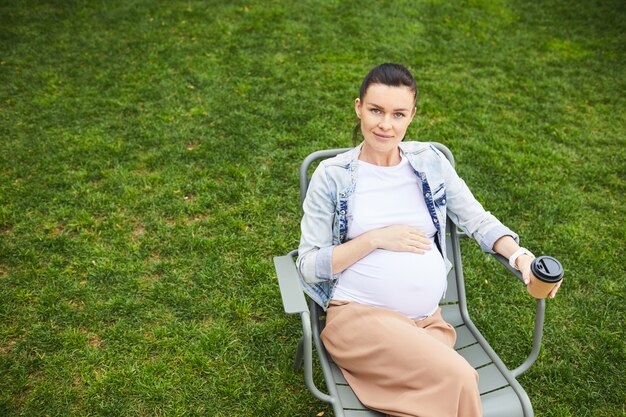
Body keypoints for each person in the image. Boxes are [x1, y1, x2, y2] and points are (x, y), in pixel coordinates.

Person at [296, 63, 562, 417]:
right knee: (460, 379)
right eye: (375, 110)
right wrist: (375, 238)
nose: (385, 125)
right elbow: (309, 265)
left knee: (438, 399)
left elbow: (477, 219)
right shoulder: (333, 176)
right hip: (359, 319)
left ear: (412, 116)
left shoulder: (429, 162)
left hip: (428, 324)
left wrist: (520, 257)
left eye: (398, 114)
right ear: (359, 107)